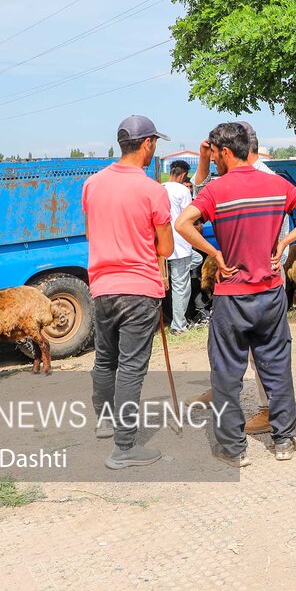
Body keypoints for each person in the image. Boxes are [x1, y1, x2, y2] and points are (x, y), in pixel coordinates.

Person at [174, 122, 296, 467]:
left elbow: (182, 223)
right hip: (271, 294)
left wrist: (214, 255)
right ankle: (285, 440)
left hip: (232, 297)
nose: (213, 161)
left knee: (227, 373)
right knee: (276, 366)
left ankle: (232, 448)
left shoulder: (216, 190)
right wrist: (286, 241)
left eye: (214, 155)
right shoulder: (277, 184)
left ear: (226, 152)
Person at [82, 115, 173, 470]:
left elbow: (91, 234)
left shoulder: (92, 184)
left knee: (105, 359)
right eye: (155, 143)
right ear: (147, 143)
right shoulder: (153, 189)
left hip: (102, 287)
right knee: (132, 367)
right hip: (139, 288)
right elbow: (164, 247)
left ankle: (105, 421)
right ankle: (125, 447)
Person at [161, 160, 197, 335]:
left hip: (163, 244)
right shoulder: (183, 190)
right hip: (180, 245)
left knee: (195, 261)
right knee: (181, 287)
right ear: (183, 175)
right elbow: (187, 218)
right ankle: (178, 326)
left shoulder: (160, 188)